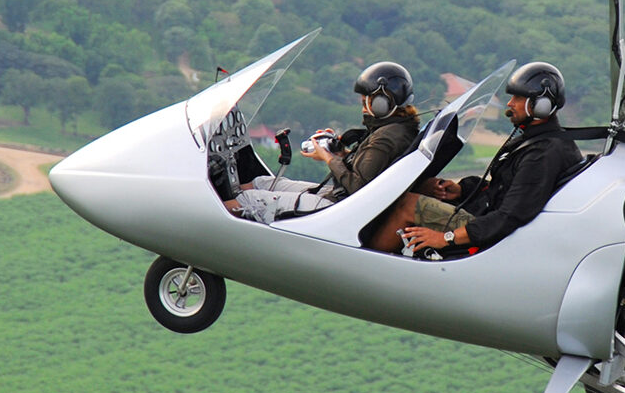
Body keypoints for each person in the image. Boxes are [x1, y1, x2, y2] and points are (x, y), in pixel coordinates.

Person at [370, 62, 582, 253]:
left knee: (407, 204)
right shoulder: (537, 142)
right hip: (485, 217)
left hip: (490, 233)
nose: (510, 104)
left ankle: (369, 264)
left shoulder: (543, 153)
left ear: (540, 105)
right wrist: (462, 189)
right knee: (423, 187)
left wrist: (445, 238)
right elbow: (502, 187)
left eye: (518, 98)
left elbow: (510, 216)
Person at [228, 61, 419, 223]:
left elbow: (358, 186)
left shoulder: (386, 137)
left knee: (246, 200)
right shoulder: (398, 129)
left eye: (365, 103)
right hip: (339, 197)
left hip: (339, 207)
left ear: (381, 104)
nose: (363, 109)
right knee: (260, 183)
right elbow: (370, 169)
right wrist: (341, 154)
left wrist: (328, 158)